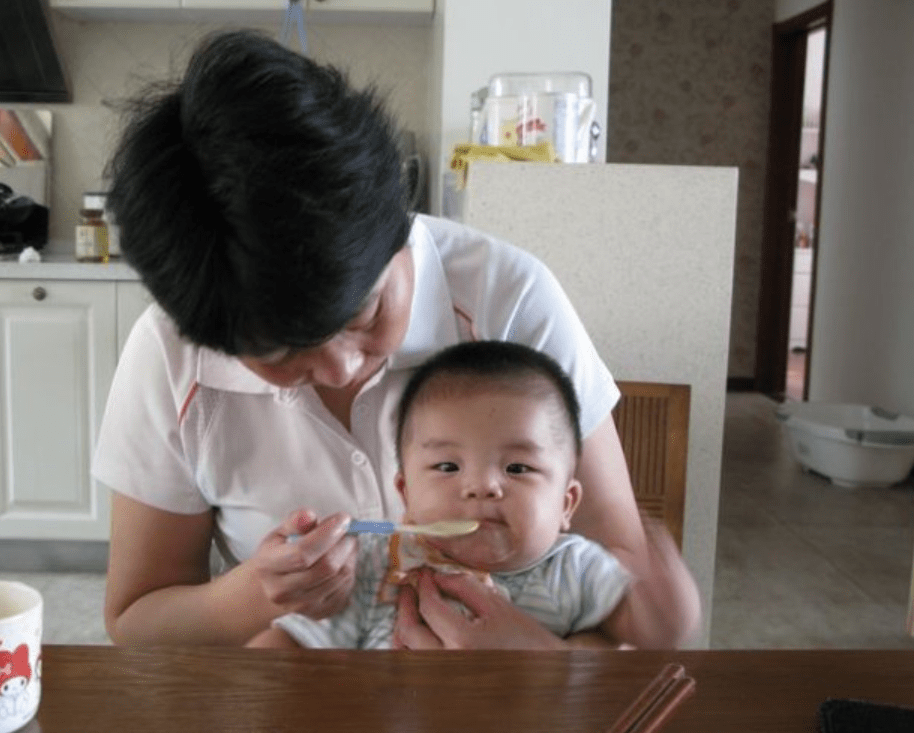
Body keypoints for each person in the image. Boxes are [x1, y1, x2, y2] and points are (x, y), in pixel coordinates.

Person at [94, 28, 700, 649]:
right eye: (280, 353)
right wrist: (255, 595)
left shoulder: (509, 300)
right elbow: (138, 622)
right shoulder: (172, 354)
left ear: (400, 222)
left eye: (364, 313)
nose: (339, 367)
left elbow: (624, 575)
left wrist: (538, 665)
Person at [249, 341, 683, 650]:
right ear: (406, 493)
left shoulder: (572, 569)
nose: (481, 486)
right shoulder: (378, 565)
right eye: (447, 467)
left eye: (517, 468)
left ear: (566, 504)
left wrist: (667, 607)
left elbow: (646, 634)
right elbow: (293, 642)